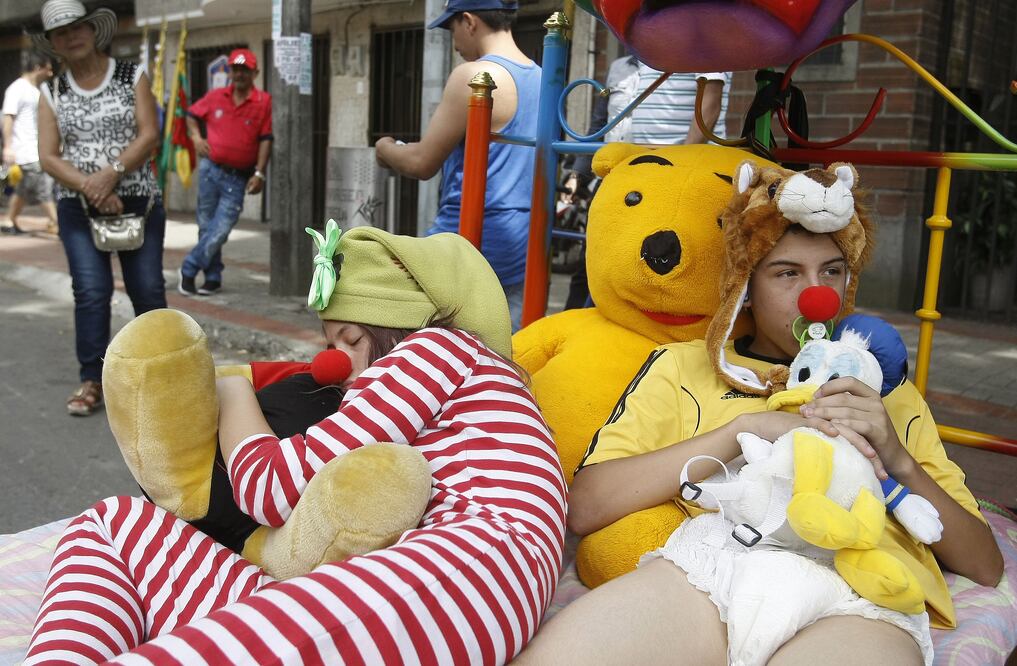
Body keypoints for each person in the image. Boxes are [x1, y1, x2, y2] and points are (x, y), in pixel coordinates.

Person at [515, 169, 1003, 664]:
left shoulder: (888, 393)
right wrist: (743, 430)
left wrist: (896, 458)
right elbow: (587, 506)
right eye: (787, 273)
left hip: (863, 590)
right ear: (746, 286)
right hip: (714, 569)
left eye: (832, 271)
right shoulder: (684, 366)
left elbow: (985, 565)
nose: (817, 295)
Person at [25, 226, 568, 664]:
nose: (339, 369)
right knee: (113, 521)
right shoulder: (463, 384)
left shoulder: (439, 348)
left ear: (402, 327)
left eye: (352, 341)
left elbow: (274, 488)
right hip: (429, 591)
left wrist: (235, 392)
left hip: (468, 570)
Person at [34, 0, 166, 417]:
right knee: (91, 292)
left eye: (77, 27)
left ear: (93, 30)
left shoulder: (131, 75)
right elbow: (48, 156)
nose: (71, 36)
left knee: (147, 290)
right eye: (61, 32)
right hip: (78, 206)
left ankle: (163, 373)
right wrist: (93, 188)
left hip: (138, 200)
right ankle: (92, 378)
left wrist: (110, 175)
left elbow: (149, 134)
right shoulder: (51, 92)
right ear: (53, 43)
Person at [375, 0, 539, 332]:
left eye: (452, 31)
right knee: (503, 349)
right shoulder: (542, 77)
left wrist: (385, 148)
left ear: (469, 21)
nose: (455, 44)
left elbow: (422, 163)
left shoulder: (475, 76)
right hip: (522, 242)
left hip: (465, 238)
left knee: (421, 345)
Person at [179, 47, 272, 297]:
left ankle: (189, 267)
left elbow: (266, 139)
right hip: (210, 171)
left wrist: (260, 173)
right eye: (235, 69)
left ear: (255, 73)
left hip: (237, 178)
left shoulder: (264, 102)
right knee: (206, 226)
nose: (239, 74)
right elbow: (190, 115)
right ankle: (213, 277)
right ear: (229, 71)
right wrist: (196, 138)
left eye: (245, 70)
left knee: (221, 228)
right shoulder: (215, 96)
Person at [1, 51, 57, 235]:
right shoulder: (16, 89)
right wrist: (8, 147)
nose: (50, 73)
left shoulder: (36, 90)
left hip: (37, 148)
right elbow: (8, 118)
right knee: (42, 187)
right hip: (25, 150)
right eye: (48, 69)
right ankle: (58, 223)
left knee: (24, 189)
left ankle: (9, 220)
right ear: (37, 68)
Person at [629, 66, 731, 145]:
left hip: (687, 156)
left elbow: (711, 101)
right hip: (649, 152)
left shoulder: (705, 44)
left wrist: (688, 156)